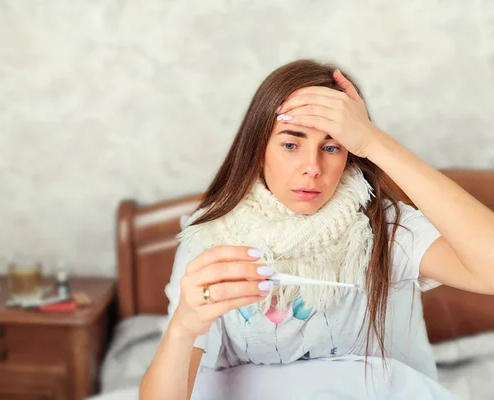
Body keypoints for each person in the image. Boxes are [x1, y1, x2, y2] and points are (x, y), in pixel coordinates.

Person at [139, 59, 494, 399]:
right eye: (291, 144)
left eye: (331, 146)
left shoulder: (377, 225)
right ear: (257, 148)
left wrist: (375, 142)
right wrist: (185, 325)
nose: (312, 167)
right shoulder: (212, 237)